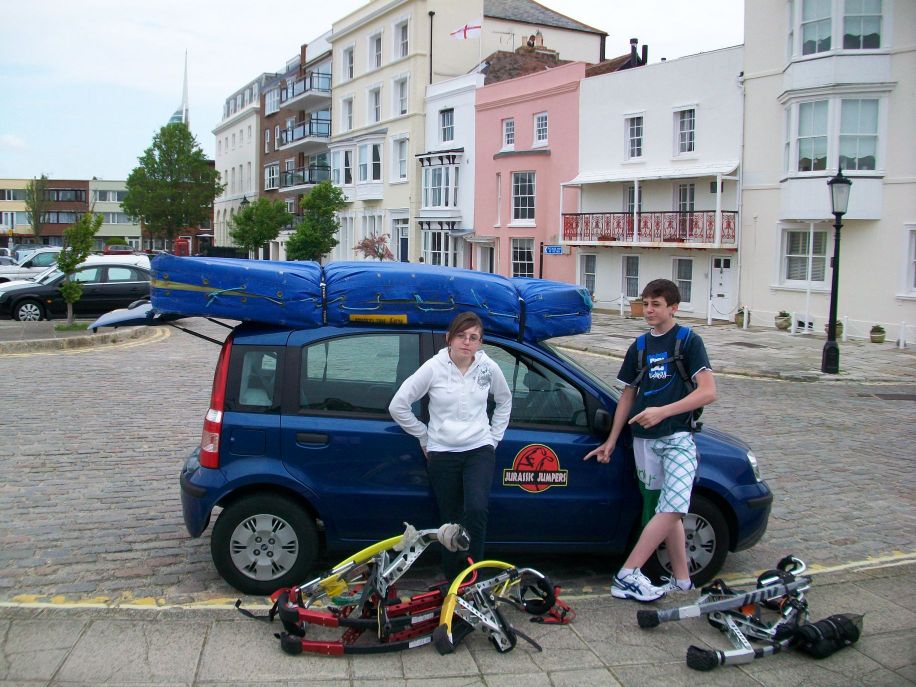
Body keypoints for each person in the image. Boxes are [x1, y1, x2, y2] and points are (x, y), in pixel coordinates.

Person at [584, 279, 716, 602]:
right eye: (645, 303)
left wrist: (663, 412)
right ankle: (682, 581)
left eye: (656, 304)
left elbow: (708, 391)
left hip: (678, 437)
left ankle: (628, 573)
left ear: (674, 307)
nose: (649, 310)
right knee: (664, 508)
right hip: (644, 441)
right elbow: (627, 396)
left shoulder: (688, 341)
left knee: (674, 505)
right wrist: (613, 440)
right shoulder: (640, 346)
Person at [389, 312, 512, 579]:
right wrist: (424, 436)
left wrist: (493, 439)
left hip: (479, 449)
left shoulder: (488, 367)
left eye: (473, 338)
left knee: (476, 510)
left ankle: (471, 578)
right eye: (461, 336)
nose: (466, 342)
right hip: (443, 453)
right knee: (450, 519)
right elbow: (398, 405)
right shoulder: (434, 368)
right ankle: (451, 579)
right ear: (449, 338)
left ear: (480, 342)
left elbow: (504, 401)